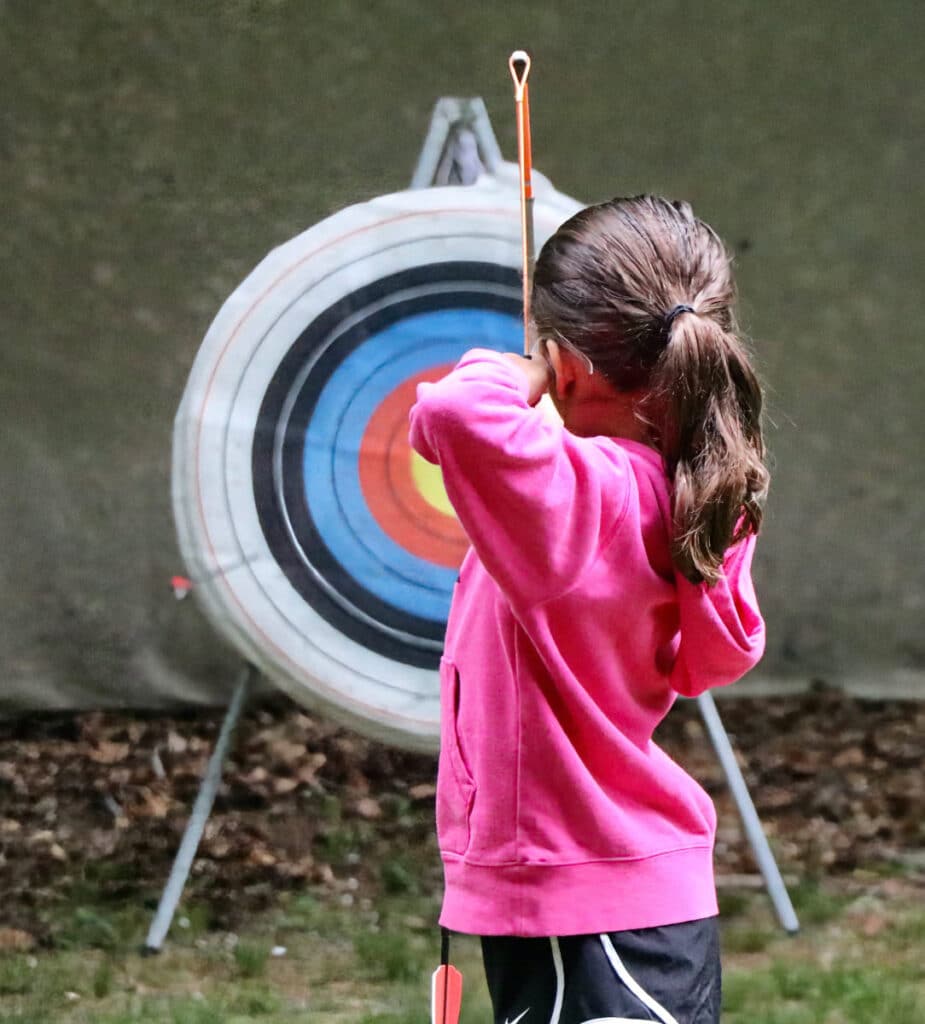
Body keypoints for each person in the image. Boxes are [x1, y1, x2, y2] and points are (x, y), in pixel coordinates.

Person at [408, 195, 769, 1024]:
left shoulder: (583, 497)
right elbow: (710, 659)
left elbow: (455, 416)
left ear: (566, 364)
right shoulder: (697, 486)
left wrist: (522, 371)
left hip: (578, 898)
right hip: (631, 899)